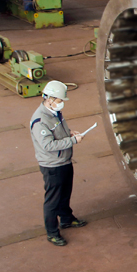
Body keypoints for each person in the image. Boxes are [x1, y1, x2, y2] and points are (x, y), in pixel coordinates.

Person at [29, 80, 88, 247]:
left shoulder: (53, 113)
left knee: (65, 193)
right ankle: (52, 233)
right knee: (52, 200)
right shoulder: (40, 120)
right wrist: (72, 141)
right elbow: (48, 145)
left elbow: (56, 132)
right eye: (59, 100)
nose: (61, 103)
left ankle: (67, 219)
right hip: (53, 166)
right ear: (49, 99)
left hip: (64, 161)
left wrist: (69, 133)